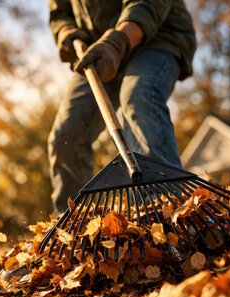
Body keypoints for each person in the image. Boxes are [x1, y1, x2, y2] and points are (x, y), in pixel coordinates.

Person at [47, 0, 196, 214]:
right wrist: (65, 30)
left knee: (138, 96)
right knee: (67, 134)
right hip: (96, 50)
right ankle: (74, 228)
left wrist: (117, 42)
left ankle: (164, 210)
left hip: (156, 37)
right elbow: (59, 11)